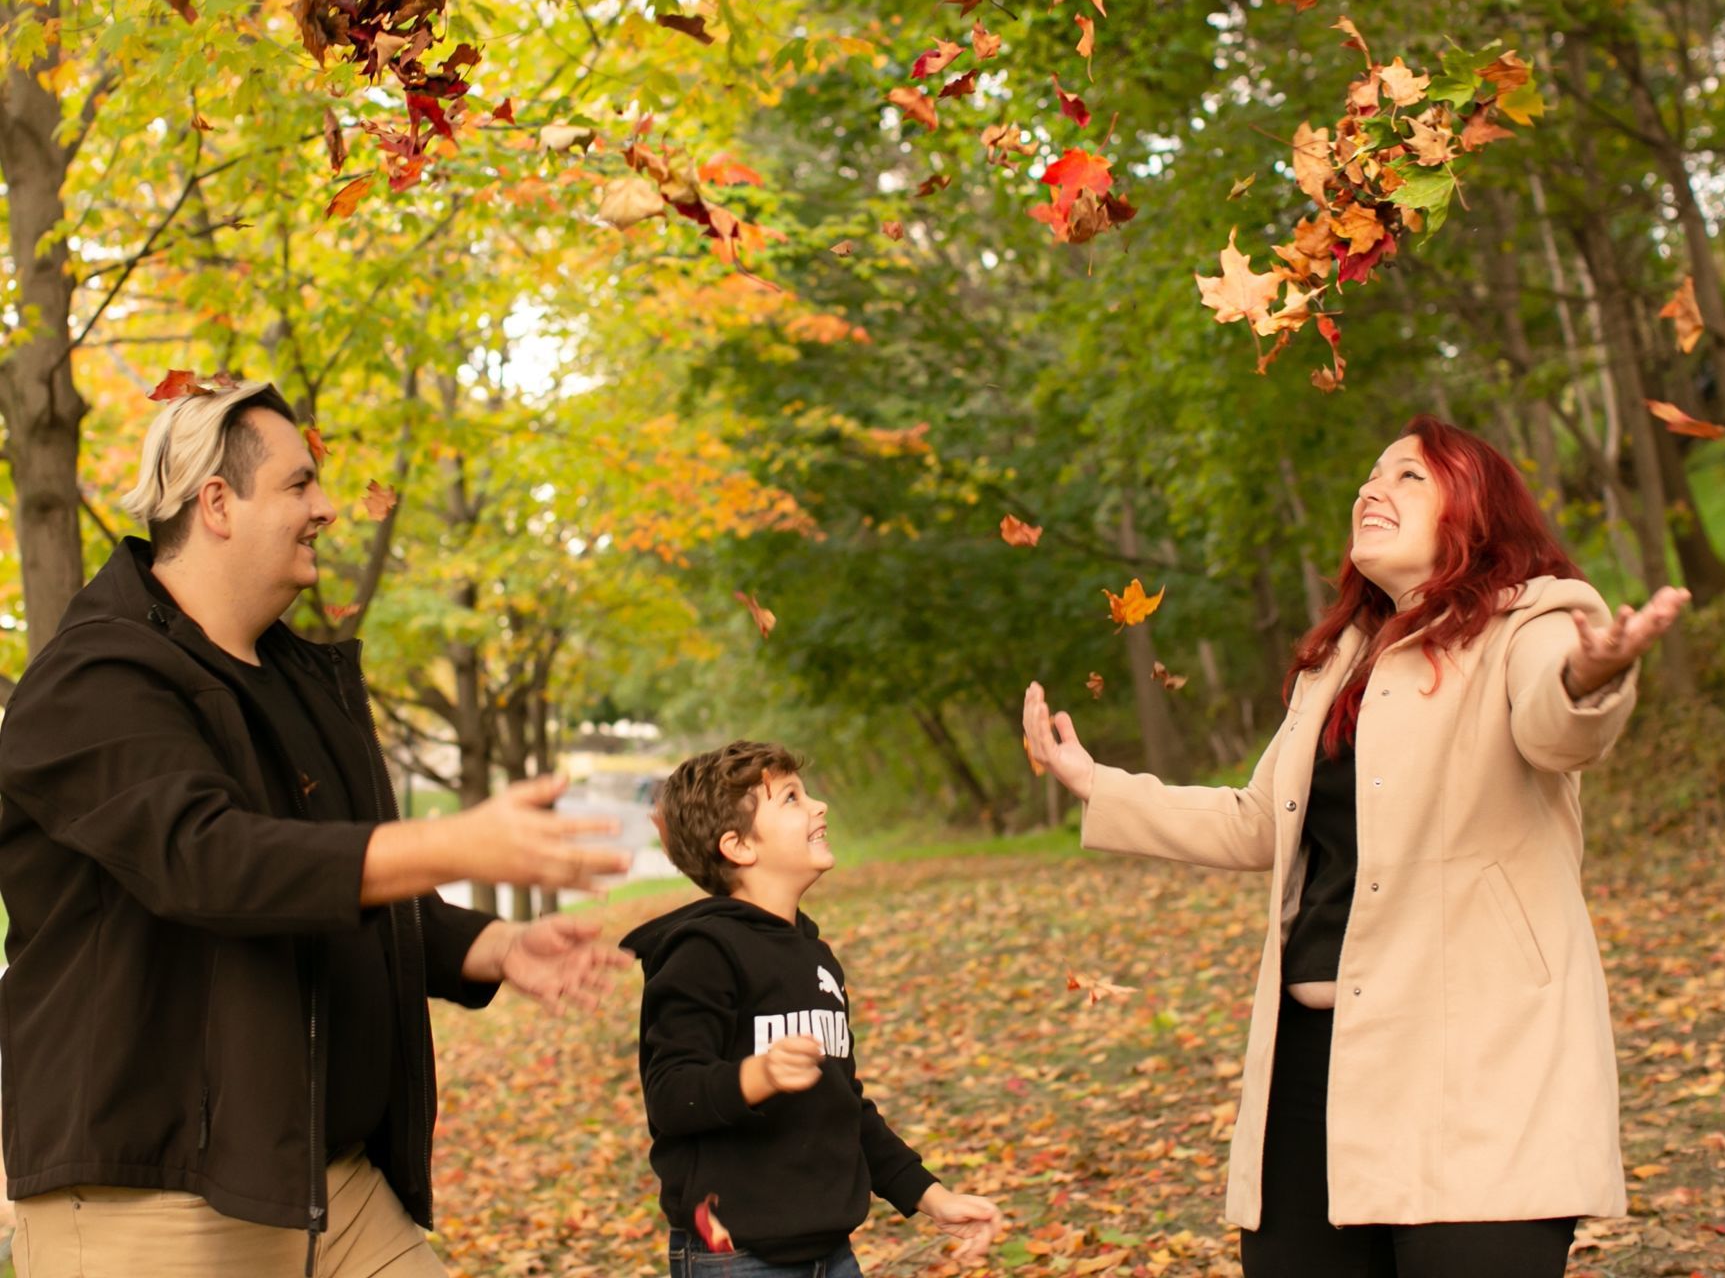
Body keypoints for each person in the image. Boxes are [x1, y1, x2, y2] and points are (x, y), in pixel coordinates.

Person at [1022, 415, 1691, 1278]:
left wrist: (1591, 678)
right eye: (1370, 478)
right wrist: (1093, 782)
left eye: (1410, 477)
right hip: (1311, 1069)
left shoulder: (1533, 622)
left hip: (1480, 1061)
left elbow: (1556, 724)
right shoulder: (1338, 660)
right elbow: (1258, 821)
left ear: (1478, 512)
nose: (1373, 491)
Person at [0, 380, 635, 1278]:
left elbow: (325, 876)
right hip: (150, 1201)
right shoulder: (93, 679)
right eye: (300, 485)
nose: (327, 509)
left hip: (325, 1185)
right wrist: (453, 842)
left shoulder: (299, 680)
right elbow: (210, 862)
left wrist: (489, 945)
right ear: (217, 502)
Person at [621, 740, 1004, 1277]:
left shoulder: (813, 956)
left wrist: (931, 1196)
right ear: (738, 846)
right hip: (738, 1257)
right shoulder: (702, 953)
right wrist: (756, 1075)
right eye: (792, 798)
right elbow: (670, 1093)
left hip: (832, 1254)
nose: (819, 806)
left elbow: (844, 1106)